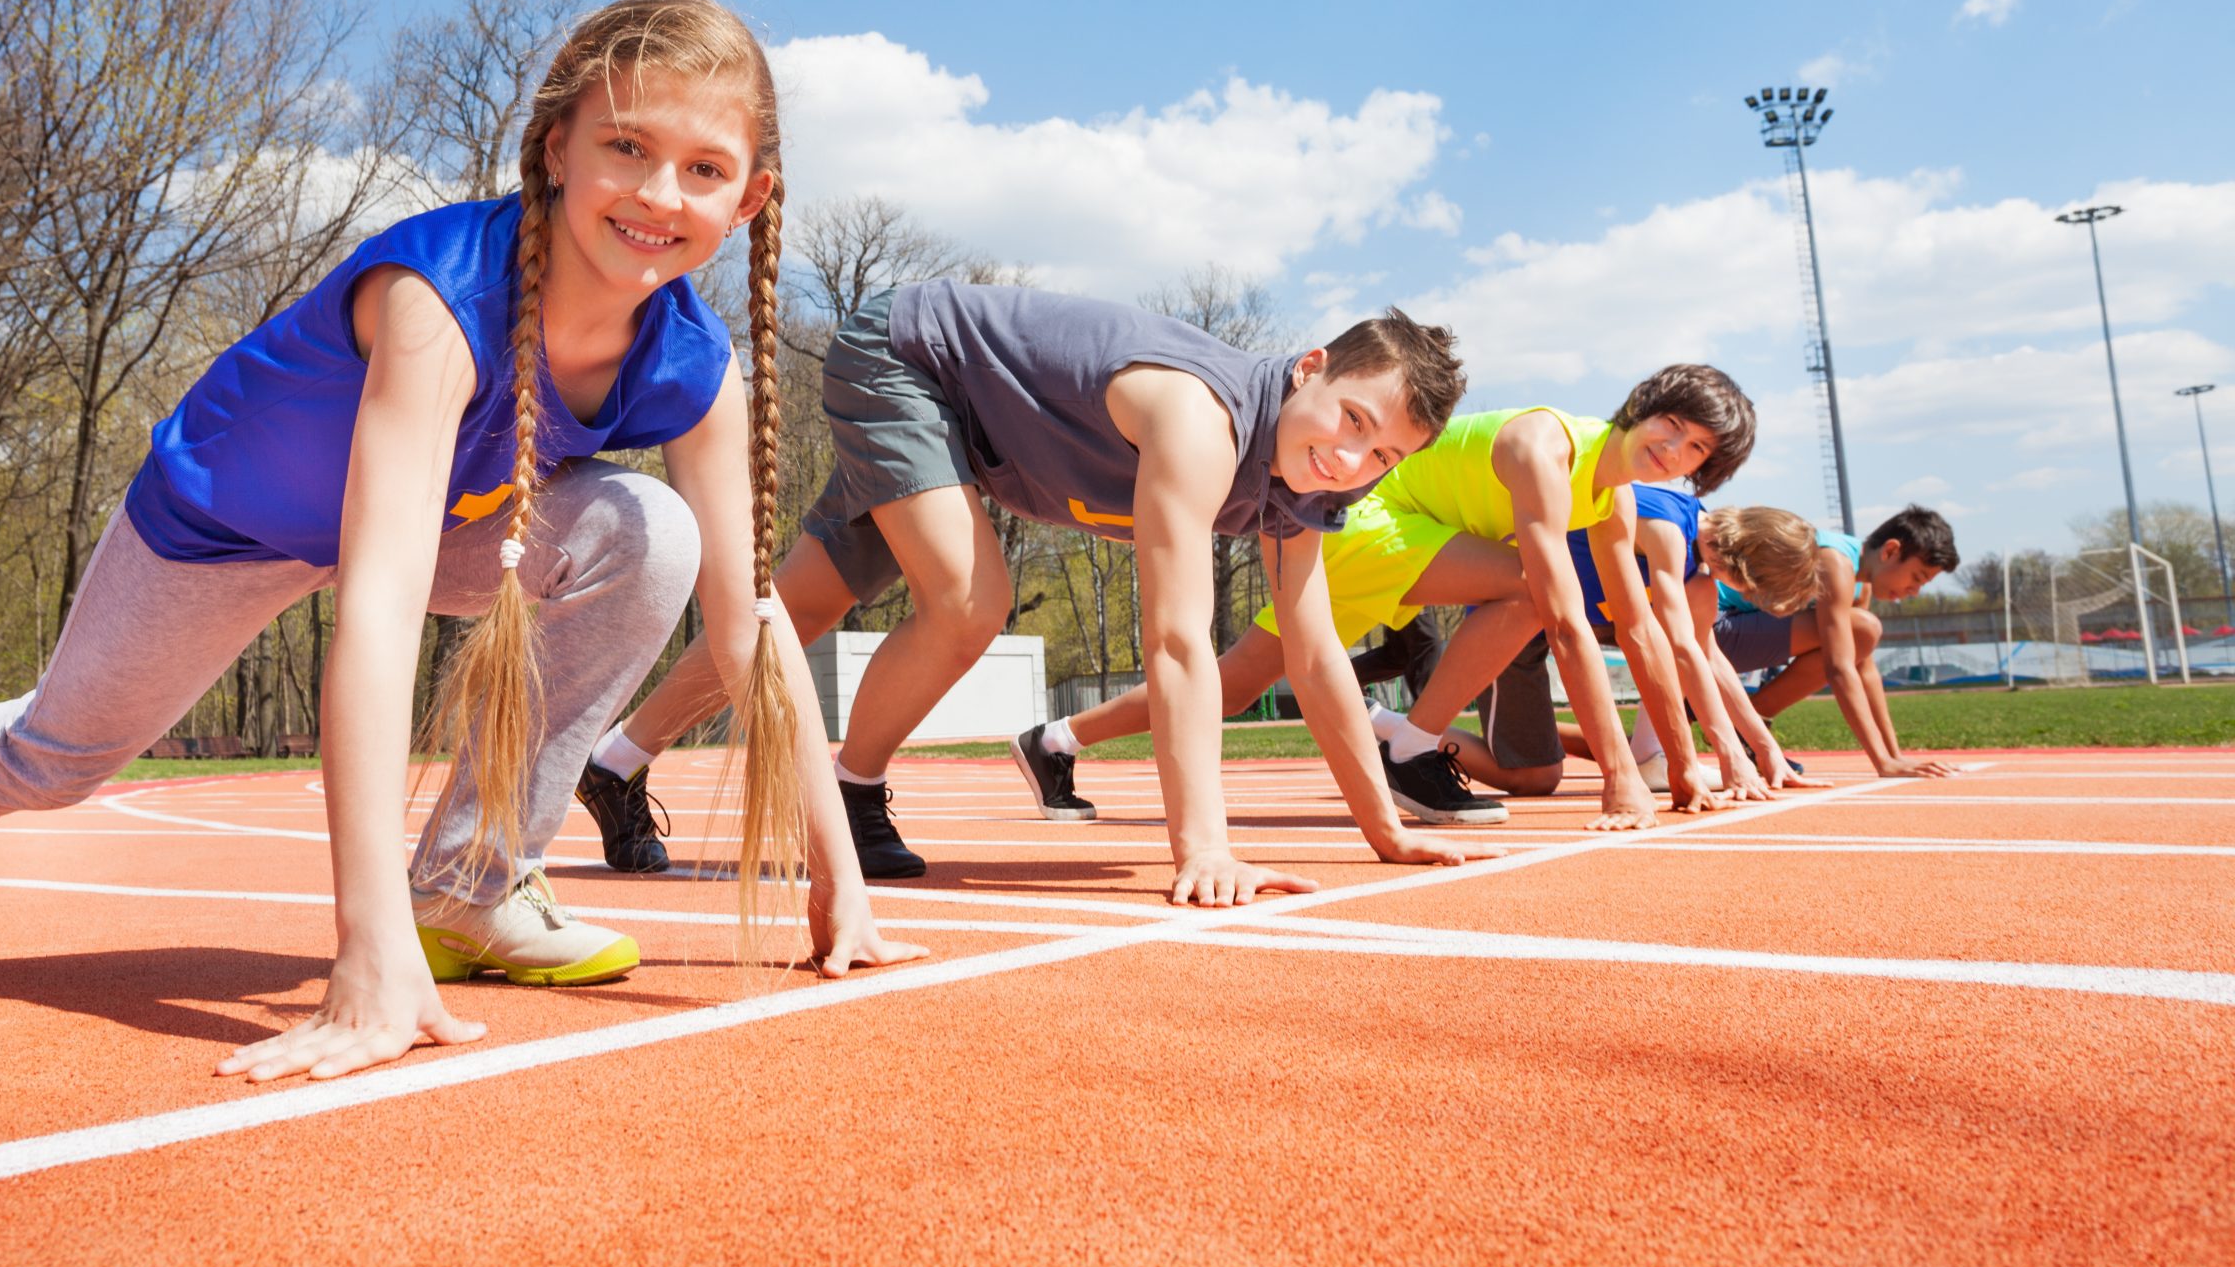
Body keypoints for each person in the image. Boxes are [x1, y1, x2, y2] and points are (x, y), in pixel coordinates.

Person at [0, 0, 923, 1083]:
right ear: (554, 152)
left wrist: (839, 881)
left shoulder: (694, 365)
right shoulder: (437, 301)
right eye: (625, 146)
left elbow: (749, 621)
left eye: (704, 169)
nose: (657, 192)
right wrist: (365, 953)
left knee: (649, 534)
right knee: (54, 762)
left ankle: (471, 885)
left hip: (448, 528)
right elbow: (379, 610)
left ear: (749, 198)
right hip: (226, 524)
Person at [577, 285, 1501, 903]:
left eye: (1383, 456)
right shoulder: (1202, 421)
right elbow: (1179, 644)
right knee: (970, 602)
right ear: (1308, 369)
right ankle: (853, 791)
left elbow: (1313, 648)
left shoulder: (1309, 488)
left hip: (974, 433)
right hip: (911, 360)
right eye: (1352, 419)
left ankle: (614, 760)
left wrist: (1384, 827)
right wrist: (1204, 846)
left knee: (800, 605)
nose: (1351, 459)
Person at [1000, 367, 1757, 835]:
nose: (1674, 448)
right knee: (1531, 592)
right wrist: (1624, 773)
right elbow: (1566, 621)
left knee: (1237, 678)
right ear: (1644, 404)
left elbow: (1644, 631)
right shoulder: (1546, 448)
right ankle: (1412, 742)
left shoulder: (1618, 499)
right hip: (1373, 515)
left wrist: (1687, 764)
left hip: (1422, 535)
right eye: (1672, 425)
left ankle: (1056, 738)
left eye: (1695, 450)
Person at [1006, 610, 1448, 824]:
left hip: (1386, 538)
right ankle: (1409, 745)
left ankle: (1054, 740)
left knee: (1226, 690)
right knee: (1218, 686)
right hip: (1366, 542)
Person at [1543, 495, 1821, 797]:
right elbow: (1680, 648)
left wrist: (1766, 749)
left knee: (1536, 775)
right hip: (1522, 606)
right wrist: (1731, 754)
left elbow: (1710, 657)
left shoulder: (1698, 570)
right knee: (1533, 778)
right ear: (1746, 564)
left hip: (1564, 618)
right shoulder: (1669, 528)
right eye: (1755, 587)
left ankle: (1649, 754)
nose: (1749, 595)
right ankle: (1649, 754)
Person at [1716, 504, 1962, 779]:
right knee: (1863, 629)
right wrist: (1882, 762)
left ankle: (1749, 725)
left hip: (1733, 630)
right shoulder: (1835, 561)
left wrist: (1895, 756)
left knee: (1861, 634)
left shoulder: (1860, 580)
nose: (1914, 592)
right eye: (1917, 578)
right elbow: (1839, 667)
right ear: (1890, 551)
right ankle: (1747, 722)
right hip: (1710, 629)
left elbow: (1864, 668)